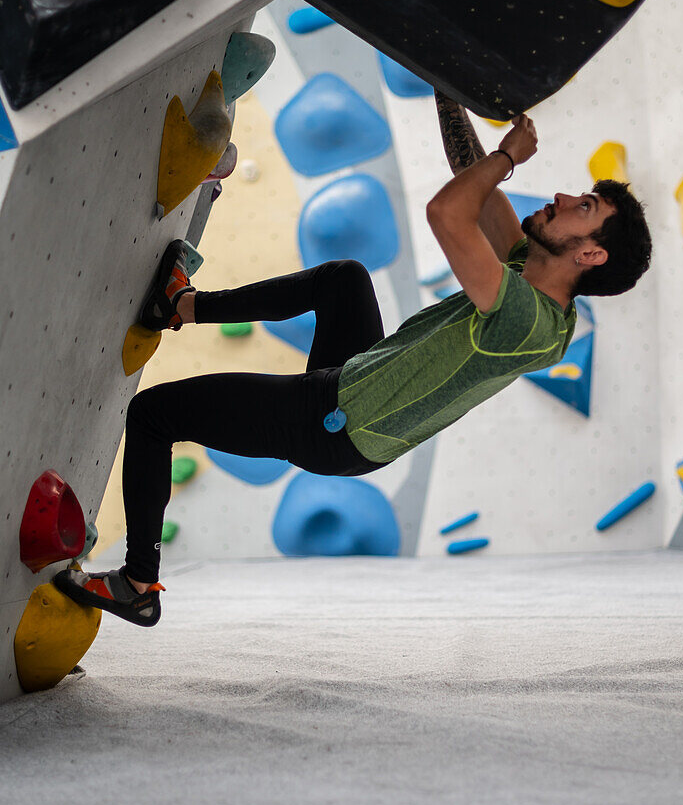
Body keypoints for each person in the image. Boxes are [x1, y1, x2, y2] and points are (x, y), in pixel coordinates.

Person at [54, 91, 652, 626]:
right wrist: (448, 85)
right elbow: (474, 178)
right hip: (356, 387)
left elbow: (449, 211)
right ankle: (179, 306)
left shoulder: (528, 320)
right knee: (345, 279)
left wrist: (510, 157)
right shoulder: (531, 270)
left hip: (334, 425)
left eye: (584, 208)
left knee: (155, 415)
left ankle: (137, 583)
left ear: (591, 255)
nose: (564, 196)